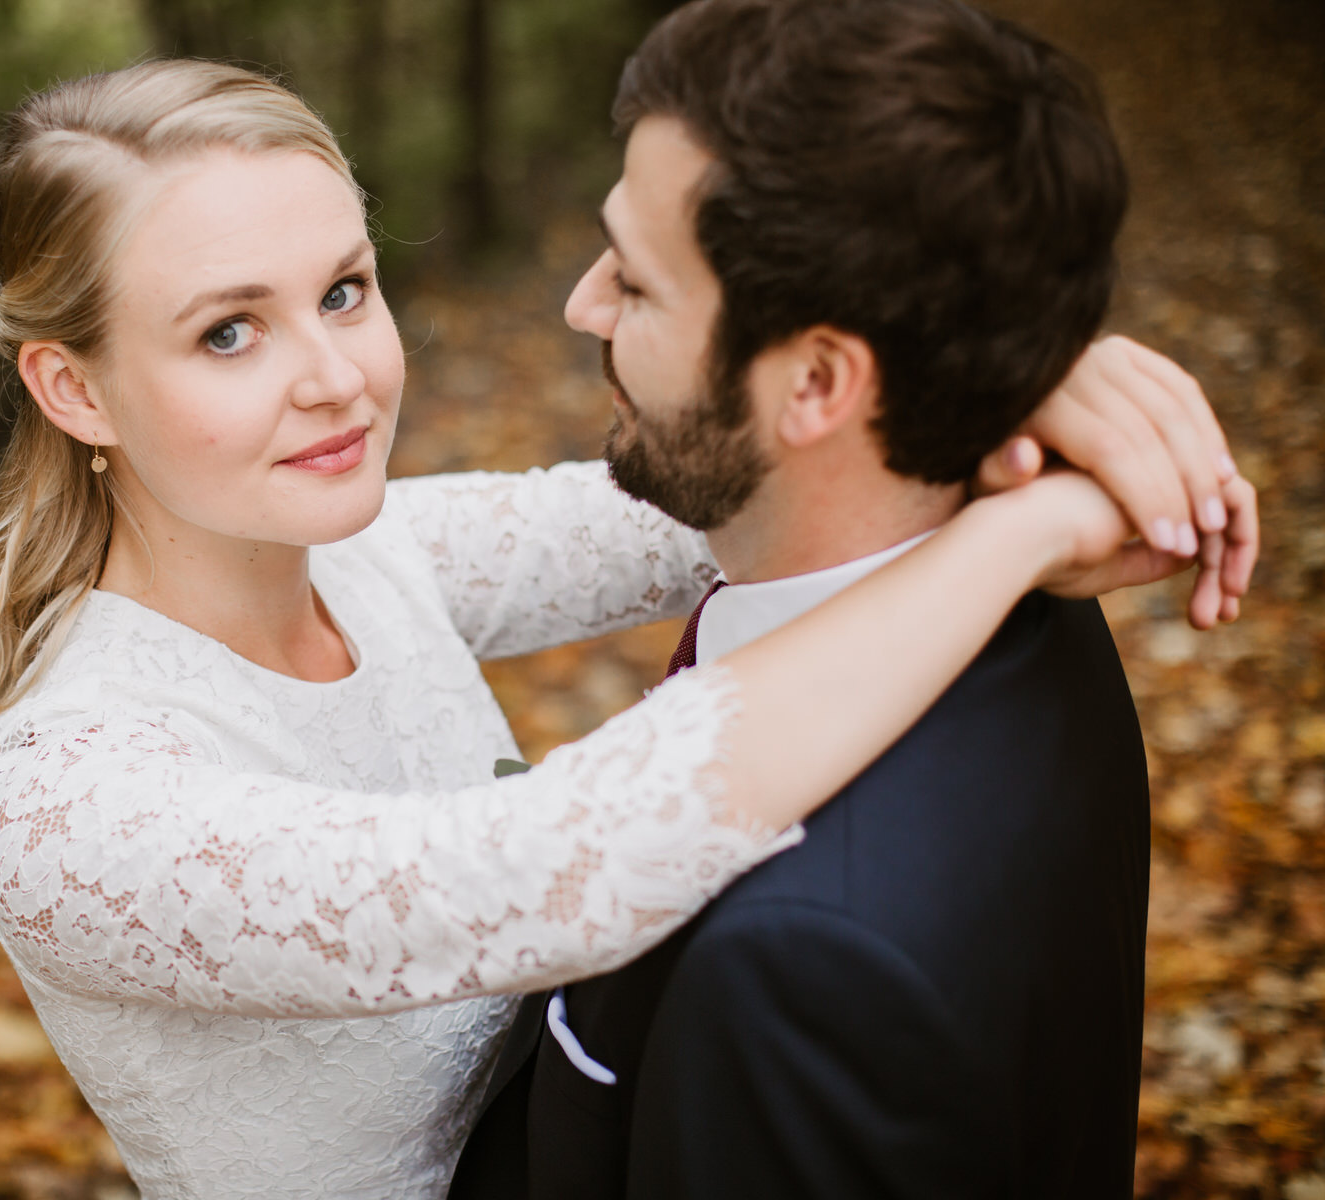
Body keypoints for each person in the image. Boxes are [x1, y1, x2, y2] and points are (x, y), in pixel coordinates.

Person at [0, 58, 1253, 1200]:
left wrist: (999, 363)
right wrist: (1019, 535)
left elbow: (733, 490)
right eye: (230, 332)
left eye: (344, 290)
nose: (337, 377)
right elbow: (540, 872)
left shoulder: (368, 555)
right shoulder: (64, 798)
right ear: (73, 387)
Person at [448, 2, 1256, 1197]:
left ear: (820, 380)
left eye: (638, 281)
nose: (582, 305)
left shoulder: (801, 973)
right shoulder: (1021, 609)